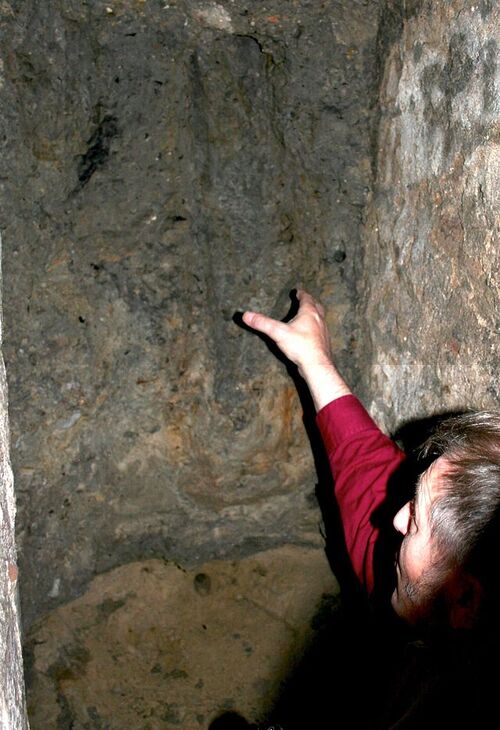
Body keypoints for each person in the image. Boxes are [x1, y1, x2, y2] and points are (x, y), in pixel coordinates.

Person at [242, 289, 500, 728]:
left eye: (414, 523)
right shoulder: (444, 613)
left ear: (466, 599)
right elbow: (368, 480)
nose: (394, 517)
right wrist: (314, 361)